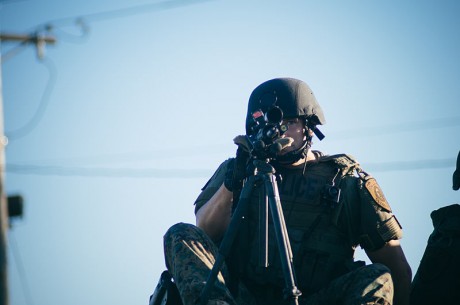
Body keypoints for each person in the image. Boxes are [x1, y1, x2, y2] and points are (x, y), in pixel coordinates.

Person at [163, 78, 412, 305]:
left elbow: (396, 267)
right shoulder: (237, 170)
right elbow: (204, 230)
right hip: (240, 297)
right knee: (179, 234)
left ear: (309, 127)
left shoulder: (344, 181)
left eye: (289, 121)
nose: (278, 129)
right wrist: (234, 181)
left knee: (378, 277)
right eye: (269, 122)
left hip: (315, 298)